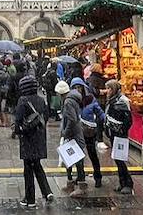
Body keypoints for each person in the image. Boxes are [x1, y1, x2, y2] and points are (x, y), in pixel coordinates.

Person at [14, 73, 54, 208]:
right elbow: (46, 116)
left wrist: (19, 130)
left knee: (28, 169)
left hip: (28, 138)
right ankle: (47, 191)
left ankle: (30, 199)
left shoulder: (22, 100)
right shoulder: (41, 100)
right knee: (37, 164)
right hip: (39, 137)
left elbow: (18, 119)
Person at [103, 79, 134, 194]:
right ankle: (122, 182)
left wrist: (121, 130)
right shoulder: (111, 100)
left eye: (109, 88)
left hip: (120, 135)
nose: (107, 91)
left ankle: (128, 183)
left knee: (120, 159)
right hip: (113, 133)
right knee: (117, 158)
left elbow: (128, 120)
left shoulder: (122, 101)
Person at [60, 80, 88, 193]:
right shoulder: (73, 99)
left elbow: (71, 119)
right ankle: (71, 183)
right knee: (70, 158)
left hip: (73, 135)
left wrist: (65, 132)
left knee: (76, 159)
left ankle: (81, 185)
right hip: (74, 134)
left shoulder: (68, 102)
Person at [78, 85, 105, 187]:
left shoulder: (91, 100)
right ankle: (80, 176)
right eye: (75, 87)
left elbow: (100, 114)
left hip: (89, 132)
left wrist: (103, 123)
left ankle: (98, 177)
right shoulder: (74, 101)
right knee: (78, 156)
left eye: (79, 87)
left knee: (92, 154)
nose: (78, 89)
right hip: (78, 132)